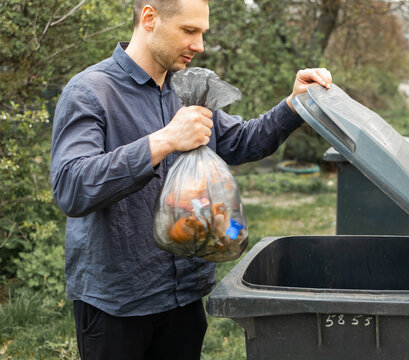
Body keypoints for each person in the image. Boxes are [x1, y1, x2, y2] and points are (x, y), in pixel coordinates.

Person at [49, 0, 331, 359]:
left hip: (184, 295)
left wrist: (293, 105)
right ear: (149, 18)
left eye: (202, 32)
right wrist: (164, 140)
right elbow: (71, 186)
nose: (199, 45)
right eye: (189, 30)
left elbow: (243, 141)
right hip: (118, 305)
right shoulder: (90, 92)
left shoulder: (188, 91)